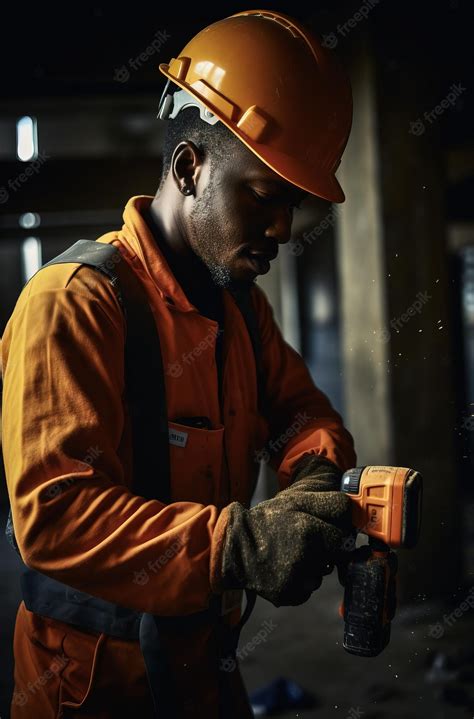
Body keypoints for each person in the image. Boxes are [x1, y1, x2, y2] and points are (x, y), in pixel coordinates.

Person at [1, 9, 356, 719]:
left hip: (206, 675)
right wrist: (237, 546)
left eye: (293, 204)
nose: (283, 229)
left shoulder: (242, 312)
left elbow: (301, 414)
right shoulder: (75, 304)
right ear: (190, 167)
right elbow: (56, 517)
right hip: (92, 691)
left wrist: (315, 474)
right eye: (263, 196)